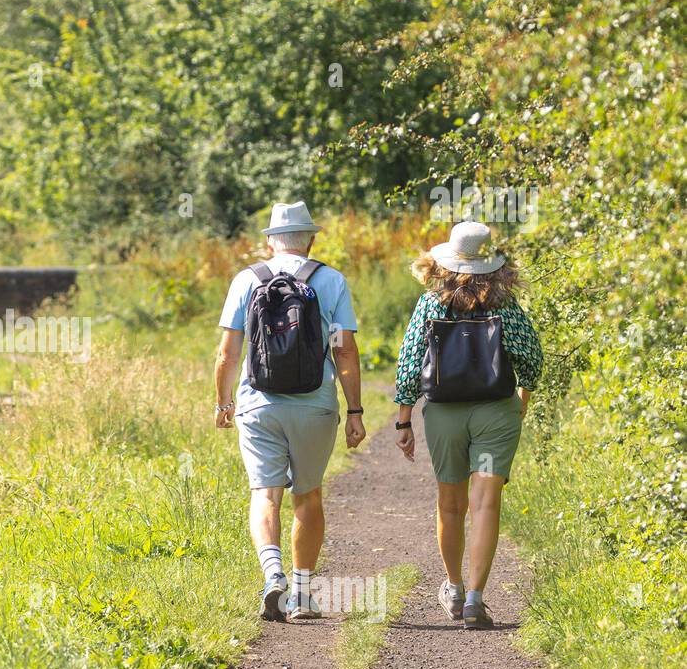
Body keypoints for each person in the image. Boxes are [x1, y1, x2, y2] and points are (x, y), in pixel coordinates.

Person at [215, 201, 366, 622]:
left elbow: (228, 354)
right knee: (309, 495)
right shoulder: (331, 280)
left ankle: (272, 575)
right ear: (311, 239)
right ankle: (300, 595)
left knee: (265, 494)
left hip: (258, 404)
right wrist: (354, 410)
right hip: (315, 405)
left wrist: (224, 403)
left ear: (269, 242)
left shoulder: (247, 280)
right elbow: (345, 349)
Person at [393, 221, 544, 630]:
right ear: (491, 264)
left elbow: (409, 362)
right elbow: (531, 358)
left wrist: (403, 420)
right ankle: (477, 598)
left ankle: (455, 588)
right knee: (486, 501)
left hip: (444, 415)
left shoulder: (431, 303)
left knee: (451, 503)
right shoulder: (506, 304)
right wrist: (521, 402)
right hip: (496, 411)